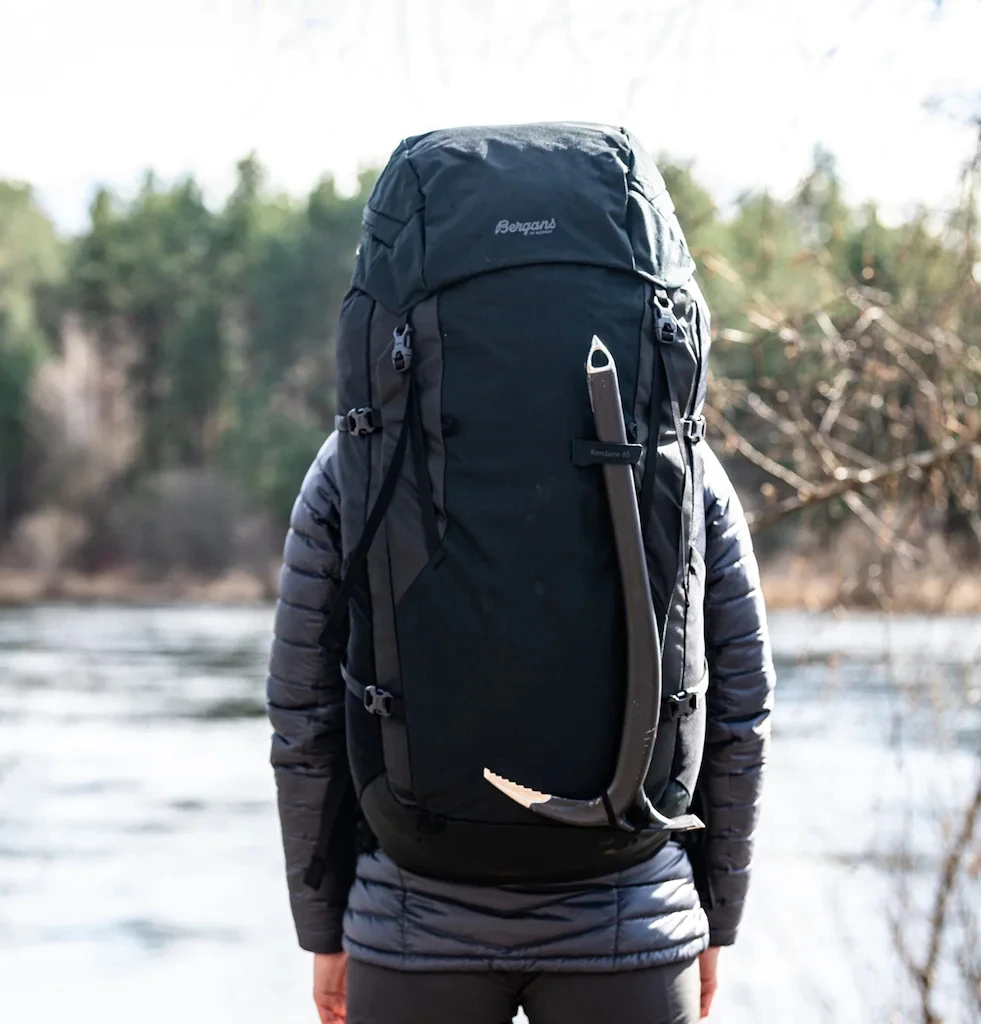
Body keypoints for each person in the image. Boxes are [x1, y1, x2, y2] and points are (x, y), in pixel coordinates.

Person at [267, 123, 775, 1024]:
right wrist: (715, 915)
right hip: (632, 916)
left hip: (411, 920)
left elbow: (303, 707)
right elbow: (739, 700)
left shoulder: (352, 466)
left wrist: (323, 926)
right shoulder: (685, 469)